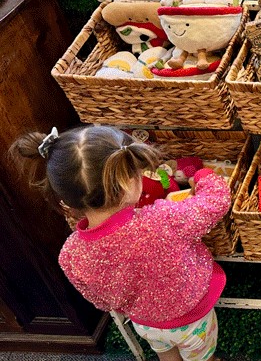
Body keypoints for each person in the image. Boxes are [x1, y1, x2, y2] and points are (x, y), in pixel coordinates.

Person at [10, 125, 230, 361]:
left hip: (144, 324)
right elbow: (215, 203)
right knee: (203, 359)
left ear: (65, 201)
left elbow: (101, 302)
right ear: (126, 182)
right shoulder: (162, 220)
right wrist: (204, 177)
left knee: (167, 357)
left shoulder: (70, 254)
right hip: (191, 319)